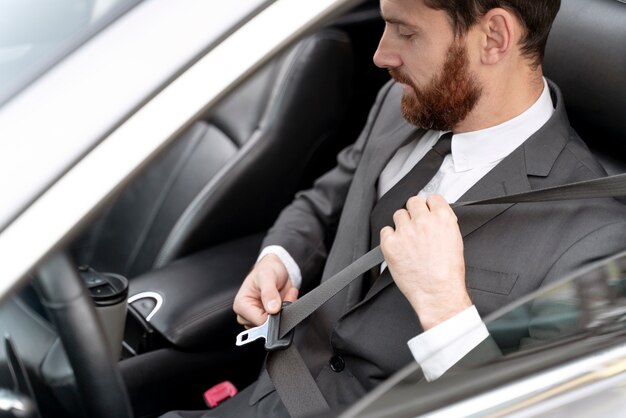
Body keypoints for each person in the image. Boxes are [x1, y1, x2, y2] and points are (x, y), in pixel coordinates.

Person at [164, 0, 626, 416]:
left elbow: (537, 410)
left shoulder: (595, 237)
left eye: (406, 32)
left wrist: (444, 306)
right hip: (261, 395)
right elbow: (324, 201)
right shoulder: (399, 103)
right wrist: (281, 258)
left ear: (493, 38)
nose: (381, 55)